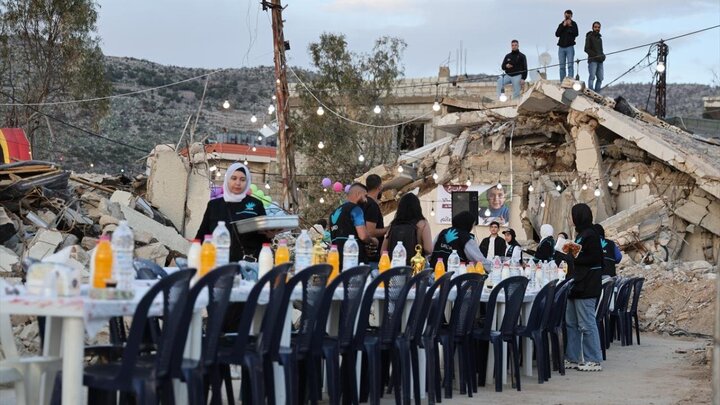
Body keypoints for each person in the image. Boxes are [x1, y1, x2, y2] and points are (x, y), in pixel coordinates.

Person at [195, 162, 270, 261]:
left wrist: (270, 235)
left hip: (247, 266)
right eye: (233, 178)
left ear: (247, 182)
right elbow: (202, 235)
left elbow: (264, 237)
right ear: (227, 180)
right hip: (217, 263)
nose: (238, 183)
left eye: (242, 180)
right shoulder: (214, 205)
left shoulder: (256, 204)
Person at [565, 203, 604, 372]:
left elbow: (594, 258)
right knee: (571, 323)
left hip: (587, 284)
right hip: (577, 284)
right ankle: (572, 357)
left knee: (587, 323)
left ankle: (593, 359)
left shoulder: (591, 234)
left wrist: (572, 257)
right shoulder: (582, 234)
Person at [328, 183, 378, 265]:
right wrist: (373, 240)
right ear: (358, 194)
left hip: (337, 261)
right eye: (365, 196)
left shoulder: (333, 214)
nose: (366, 200)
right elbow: (363, 236)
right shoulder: (356, 209)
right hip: (354, 260)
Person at [381, 193, 433, 264]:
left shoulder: (394, 225)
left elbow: (383, 251)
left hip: (394, 267)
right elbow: (429, 249)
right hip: (416, 267)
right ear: (418, 207)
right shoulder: (423, 224)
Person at [363, 174, 388, 268]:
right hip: (372, 257)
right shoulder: (372, 205)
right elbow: (370, 232)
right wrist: (388, 229)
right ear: (380, 187)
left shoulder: (362, 203)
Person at [555, 9, 579, 81]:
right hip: (561, 47)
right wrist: (563, 26)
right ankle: (562, 81)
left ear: (571, 16)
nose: (567, 17)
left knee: (570, 65)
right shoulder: (561, 24)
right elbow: (557, 34)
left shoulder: (574, 24)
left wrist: (570, 26)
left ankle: (570, 81)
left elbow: (576, 34)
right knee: (562, 66)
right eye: (566, 15)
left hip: (570, 47)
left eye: (569, 16)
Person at [584, 21, 605, 93]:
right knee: (592, 77)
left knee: (600, 78)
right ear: (592, 27)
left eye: (598, 27)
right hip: (592, 60)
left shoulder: (600, 39)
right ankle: (590, 92)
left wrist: (603, 56)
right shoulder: (589, 36)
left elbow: (601, 50)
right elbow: (586, 49)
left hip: (600, 61)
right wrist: (596, 55)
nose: (597, 28)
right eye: (595, 27)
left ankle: (596, 93)